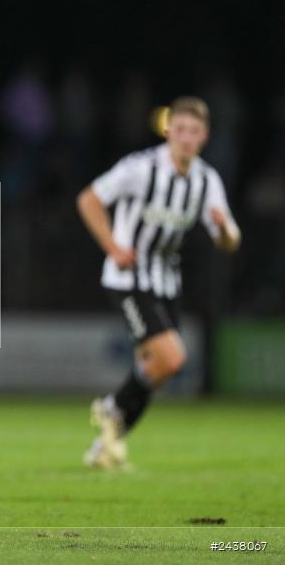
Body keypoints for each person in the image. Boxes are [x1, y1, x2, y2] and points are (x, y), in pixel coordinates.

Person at [77, 97, 240, 469]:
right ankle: (111, 408)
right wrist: (113, 246)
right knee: (172, 357)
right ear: (169, 131)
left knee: (156, 370)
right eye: (180, 129)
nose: (186, 138)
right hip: (128, 277)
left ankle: (106, 447)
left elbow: (229, 240)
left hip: (166, 283)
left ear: (205, 137)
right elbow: (88, 199)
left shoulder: (205, 180)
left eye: (194, 132)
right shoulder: (141, 168)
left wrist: (225, 229)